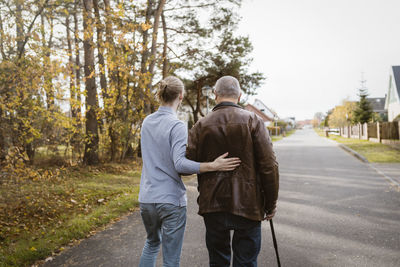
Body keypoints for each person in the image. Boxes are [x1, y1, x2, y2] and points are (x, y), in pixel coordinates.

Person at [138, 76, 241, 267]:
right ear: (181, 96)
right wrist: (213, 165)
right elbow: (180, 164)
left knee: (152, 243)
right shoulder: (176, 125)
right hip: (170, 201)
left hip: (146, 198)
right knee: (171, 258)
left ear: (161, 95)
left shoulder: (147, 122)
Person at [186, 76, 279, 267]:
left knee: (218, 261)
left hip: (212, 204)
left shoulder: (201, 125)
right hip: (249, 204)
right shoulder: (253, 121)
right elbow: (269, 166)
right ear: (240, 95)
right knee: (245, 261)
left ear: (215, 94)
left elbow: (187, 162)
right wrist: (270, 204)